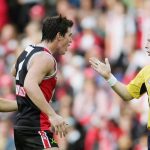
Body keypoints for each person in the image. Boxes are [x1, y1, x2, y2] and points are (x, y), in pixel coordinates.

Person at [11, 15, 73, 150]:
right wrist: (53, 115)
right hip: (36, 127)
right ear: (59, 36)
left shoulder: (29, 50)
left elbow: (14, 71)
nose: (71, 40)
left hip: (22, 126)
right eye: (69, 35)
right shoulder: (46, 58)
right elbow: (29, 84)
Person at [89, 35, 150, 149]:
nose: (146, 46)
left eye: (149, 42)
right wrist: (109, 77)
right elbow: (127, 94)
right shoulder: (146, 72)